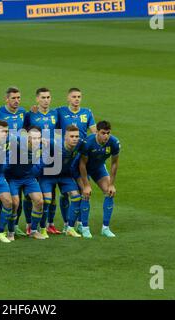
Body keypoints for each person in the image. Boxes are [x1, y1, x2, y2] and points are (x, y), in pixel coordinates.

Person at [56, 88, 97, 234]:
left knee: (84, 189)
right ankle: (67, 223)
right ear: (68, 98)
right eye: (74, 96)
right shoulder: (60, 111)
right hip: (64, 156)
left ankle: (80, 222)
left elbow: (95, 133)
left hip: (81, 157)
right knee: (65, 193)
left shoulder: (87, 112)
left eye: (79, 96)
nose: (77, 99)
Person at [24, 87, 61, 235]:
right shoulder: (30, 114)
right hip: (34, 157)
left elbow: (58, 132)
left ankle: (49, 223)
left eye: (48, 97)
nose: (46, 100)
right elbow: (24, 133)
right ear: (37, 99)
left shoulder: (55, 114)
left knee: (51, 192)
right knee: (29, 193)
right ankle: (29, 224)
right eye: (43, 97)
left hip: (51, 156)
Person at [0, 87, 28, 237]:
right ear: (6, 99)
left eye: (18, 98)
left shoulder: (23, 113)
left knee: (16, 195)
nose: (16, 101)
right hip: (1, 158)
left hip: (17, 158)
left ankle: (14, 225)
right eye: (13, 98)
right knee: (0, 196)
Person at [77, 120, 121, 238]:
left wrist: (111, 184)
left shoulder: (114, 142)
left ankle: (105, 228)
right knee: (86, 193)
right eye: (103, 133)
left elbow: (114, 163)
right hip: (83, 169)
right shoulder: (88, 143)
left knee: (109, 192)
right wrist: (86, 185)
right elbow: (82, 164)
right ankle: (84, 227)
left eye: (108, 133)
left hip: (98, 168)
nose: (106, 136)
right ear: (97, 132)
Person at [39, 125, 83, 238]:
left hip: (64, 175)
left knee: (76, 196)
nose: (74, 138)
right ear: (65, 137)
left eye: (76, 136)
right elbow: (44, 142)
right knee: (47, 200)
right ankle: (43, 229)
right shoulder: (55, 144)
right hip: (48, 175)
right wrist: (41, 141)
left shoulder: (80, 144)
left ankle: (70, 228)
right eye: (72, 136)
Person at [4, 126, 46, 240]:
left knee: (39, 200)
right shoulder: (17, 146)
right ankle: (11, 232)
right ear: (28, 139)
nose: (37, 141)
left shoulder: (42, 147)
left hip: (29, 177)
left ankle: (33, 231)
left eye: (39, 138)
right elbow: (6, 162)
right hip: (13, 177)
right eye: (34, 138)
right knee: (15, 203)